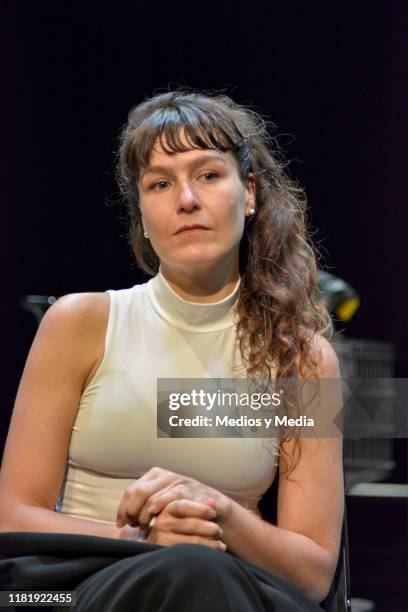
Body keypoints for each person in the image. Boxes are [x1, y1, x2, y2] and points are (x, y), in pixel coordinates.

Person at [0, 89, 344, 611]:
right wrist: (142, 542)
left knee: (199, 571)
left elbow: (314, 573)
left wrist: (219, 512)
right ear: (141, 210)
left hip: (227, 588)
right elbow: (11, 515)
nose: (186, 198)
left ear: (248, 194)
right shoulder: (81, 323)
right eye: (160, 183)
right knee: (185, 570)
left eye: (208, 174)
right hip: (66, 590)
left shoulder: (301, 360)